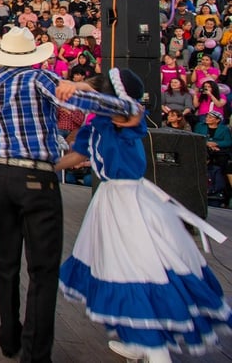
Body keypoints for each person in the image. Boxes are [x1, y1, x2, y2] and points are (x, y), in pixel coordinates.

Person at [0, 27, 144, 362]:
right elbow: (101, 105)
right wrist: (121, 103)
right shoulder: (40, 80)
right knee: (42, 268)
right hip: (36, 177)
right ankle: (36, 354)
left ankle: (9, 337)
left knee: (5, 261)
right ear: (32, 55)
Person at [58, 69, 232, 362]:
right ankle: (138, 338)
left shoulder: (127, 113)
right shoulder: (99, 123)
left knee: (136, 269)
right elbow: (79, 154)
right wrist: (46, 168)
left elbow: (121, 107)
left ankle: (155, 349)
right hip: (110, 201)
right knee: (118, 267)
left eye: (90, 90)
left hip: (129, 203)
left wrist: (76, 89)